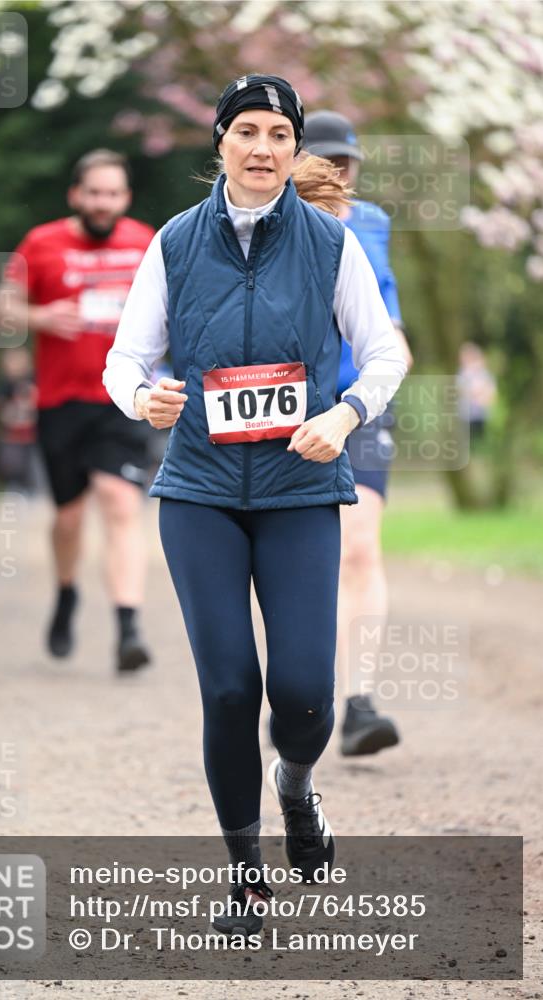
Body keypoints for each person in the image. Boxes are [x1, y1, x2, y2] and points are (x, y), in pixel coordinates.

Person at [104, 75, 407, 933]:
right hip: (198, 490)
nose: (264, 147)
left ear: (295, 147)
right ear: (221, 142)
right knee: (231, 690)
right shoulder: (172, 242)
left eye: (280, 133)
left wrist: (344, 413)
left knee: (305, 692)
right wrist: (142, 399)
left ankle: (298, 786)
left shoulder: (329, 243)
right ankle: (244, 873)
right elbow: (126, 358)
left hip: (300, 487)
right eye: (247, 131)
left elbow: (383, 353)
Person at [0, 150, 155, 670]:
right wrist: (39, 315)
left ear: (125, 198)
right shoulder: (41, 243)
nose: (103, 203)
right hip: (61, 401)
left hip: (123, 400)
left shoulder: (146, 241)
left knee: (120, 501)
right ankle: (66, 595)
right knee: (68, 517)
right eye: (94, 193)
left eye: (113, 194)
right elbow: (3, 307)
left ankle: (128, 626)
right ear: (76, 196)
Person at [298, 112, 414, 757]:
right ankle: (297, 692)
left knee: (360, 547)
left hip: (361, 407)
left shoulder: (371, 222)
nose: (340, 174)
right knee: (298, 557)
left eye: (349, 163)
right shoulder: (263, 223)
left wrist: (395, 353)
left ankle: (359, 704)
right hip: (285, 410)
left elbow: (386, 315)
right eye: (327, 162)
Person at [0, 347, 42, 495]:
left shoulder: (36, 379)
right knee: (12, 463)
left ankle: (36, 490)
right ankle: (15, 487)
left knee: (35, 464)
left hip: (33, 433)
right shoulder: (5, 385)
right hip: (12, 434)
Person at [456, 341, 496, 442]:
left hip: (481, 414)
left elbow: (491, 393)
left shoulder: (485, 374)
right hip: (465, 415)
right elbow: (460, 390)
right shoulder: (463, 373)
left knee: (479, 440)